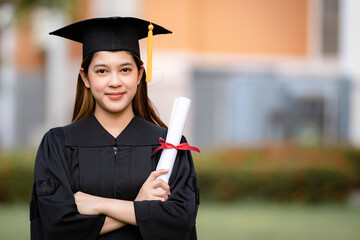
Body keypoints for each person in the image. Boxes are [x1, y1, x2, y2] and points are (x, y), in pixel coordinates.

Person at [30, 17, 199, 240]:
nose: (115, 81)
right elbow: (57, 226)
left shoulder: (168, 145)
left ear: (140, 75)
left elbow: (179, 221)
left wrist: (99, 204)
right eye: (102, 71)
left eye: (125, 70)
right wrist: (139, 206)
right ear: (85, 77)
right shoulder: (59, 144)